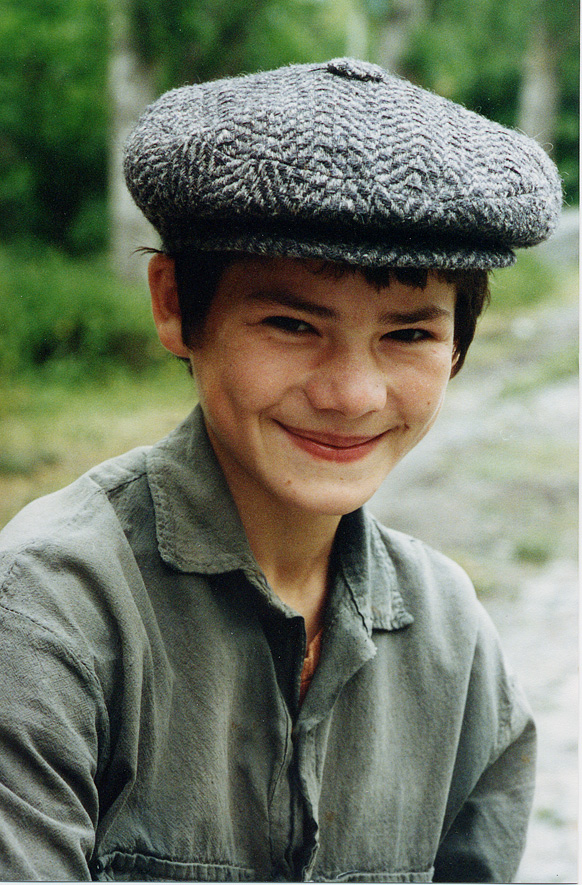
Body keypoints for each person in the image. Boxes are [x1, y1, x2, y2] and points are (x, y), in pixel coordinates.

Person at [0, 58, 561, 882]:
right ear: (173, 304)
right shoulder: (51, 616)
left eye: (408, 334)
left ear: (458, 346)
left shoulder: (455, 643)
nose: (352, 393)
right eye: (293, 323)